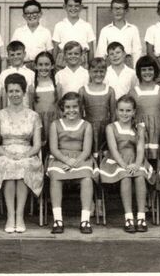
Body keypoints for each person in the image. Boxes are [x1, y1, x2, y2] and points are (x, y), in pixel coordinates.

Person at [0, 73, 43, 233]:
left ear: (24, 92)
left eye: (17, 91)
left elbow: (37, 145)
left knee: (22, 166)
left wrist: (24, 155)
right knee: (9, 165)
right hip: (4, 153)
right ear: (6, 92)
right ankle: (10, 216)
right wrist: (7, 154)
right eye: (11, 91)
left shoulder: (33, 116)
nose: (14, 94)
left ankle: (19, 216)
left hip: (27, 153)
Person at [99, 95, 155, 233]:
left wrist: (136, 164)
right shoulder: (111, 127)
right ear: (117, 111)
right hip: (117, 160)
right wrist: (124, 165)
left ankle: (141, 217)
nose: (125, 113)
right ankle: (129, 217)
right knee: (125, 176)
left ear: (134, 111)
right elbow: (113, 149)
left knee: (140, 175)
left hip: (136, 159)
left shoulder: (139, 127)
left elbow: (140, 148)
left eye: (128, 110)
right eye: (122, 110)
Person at [47, 92, 98, 234]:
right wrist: (66, 160)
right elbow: (54, 149)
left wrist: (75, 162)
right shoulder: (55, 125)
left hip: (81, 158)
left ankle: (85, 219)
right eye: (68, 107)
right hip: (60, 158)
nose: (71, 110)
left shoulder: (86, 125)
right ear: (62, 108)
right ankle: (58, 220)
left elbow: (87, 150)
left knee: (87, 178)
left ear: (80, 107)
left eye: (75, 106)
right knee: (55, 176)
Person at [129, 56, 160, 163]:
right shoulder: (133, 92)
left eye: (150, 69)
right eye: (143, 70)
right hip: (140, 131)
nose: (147, 72)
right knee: (141, 159)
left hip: (157, 130)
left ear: (155, 71)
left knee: (155, 161)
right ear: (139, 72)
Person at [79, 58, 116, 159]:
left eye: (101, 71)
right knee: (91, 151)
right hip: (89, 127)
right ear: (89, 72)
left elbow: (113, 114)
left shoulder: (110, 90)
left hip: (106, 127)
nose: (98, 74)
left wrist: (112, 130)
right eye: (95, 71)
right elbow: (80, 113)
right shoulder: (83, 90)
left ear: (105, 72)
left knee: (105, 151)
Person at [52, 0, 95, 70]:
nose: (73, 8)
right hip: (63, 61)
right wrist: (54, 66)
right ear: (64, 7)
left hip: (82, 61)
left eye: (76, 6)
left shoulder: (87, 26)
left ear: (81, 7)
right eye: (70, 6)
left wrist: (91, 66)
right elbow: (55, 49)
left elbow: (91, 50)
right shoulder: (59, 25)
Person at [96, 0, 142, 68]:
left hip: (128, 64)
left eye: (120, 8)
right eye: (115, 8)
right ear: (111, 10)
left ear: (126, 10)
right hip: (110, 64)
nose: (117, 11)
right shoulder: (105, 30)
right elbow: (100, 53)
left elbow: (137, 52)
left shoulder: (133, 29)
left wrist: (136, 70)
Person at [11, 0, 53, 70]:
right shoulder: (18, 32)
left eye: (34, 12)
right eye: (28, 13)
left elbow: (49, 54)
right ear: (24, 16)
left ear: (40, 14)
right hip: (22, 66)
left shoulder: (46, 32)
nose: (31, 15)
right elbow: (12, 52)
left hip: (40, 68)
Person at [30, 51, 59, 150]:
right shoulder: (32, 87)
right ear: (36, 66)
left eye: (47, 64)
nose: (43, 68)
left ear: (52, 66)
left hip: (54, 124)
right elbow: (30, 109)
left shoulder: (57, 86)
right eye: (40, 65)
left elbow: (60, 108)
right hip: (39, 125)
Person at [0, 41, 35, 108]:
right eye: (12, 55)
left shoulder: (31, 74)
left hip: (27, 110)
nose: (15, 57)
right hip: (9, 112)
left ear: (24, 54)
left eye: (18, 54)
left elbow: (33, 96)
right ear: (8, 56)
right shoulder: (3, 74)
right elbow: (0, 96)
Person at [145, 0, 160, 82]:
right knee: (158, 89)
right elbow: (150, 52)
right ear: (158, 12)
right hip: (157, 62)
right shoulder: (152, 29)